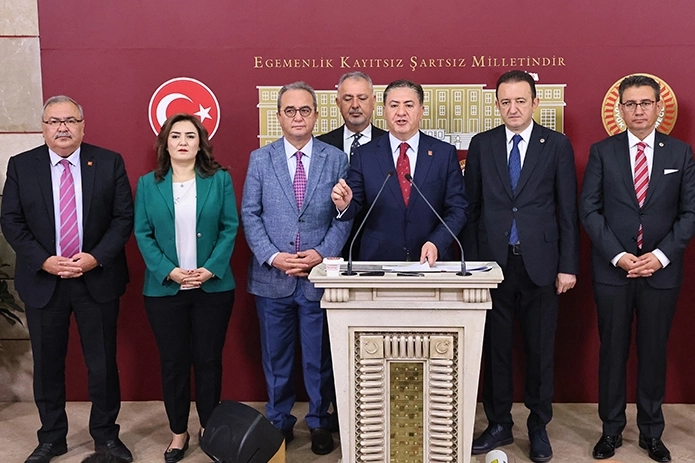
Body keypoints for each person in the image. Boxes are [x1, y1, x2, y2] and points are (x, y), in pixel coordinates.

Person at [0, 95, 134, 463]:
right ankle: (51, 438)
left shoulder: (108, 162)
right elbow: (11, 220)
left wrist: (95, 257)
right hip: (45, 280)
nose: (63, 127)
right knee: (47, 365)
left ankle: (106, 437)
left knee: (102, 364)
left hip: (97, 278)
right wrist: (43, 261)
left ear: (83, 126)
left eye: (70, 121)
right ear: (43, 128)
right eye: (54, 121)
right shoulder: (22, 166)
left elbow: (123, 217)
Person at [462, 70, 579, 463]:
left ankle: (538, 426)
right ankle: (499, 424)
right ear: (497, 104)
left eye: (520, 101)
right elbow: (472, 209)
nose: (513, 108)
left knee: (540, 350)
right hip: (492, 265)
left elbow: (568, 210)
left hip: (541, 264)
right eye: (505, 101)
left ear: (535, 103)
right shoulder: (482, 144)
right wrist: (473, 265)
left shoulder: (556, 145)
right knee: (495, 350)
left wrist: (568, 266)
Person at [580, 75, 695, 463]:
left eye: (645, 103)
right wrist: (617, 254)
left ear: (659, 107)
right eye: (630, 103)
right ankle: (610, 431)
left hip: (661, 272)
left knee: (653, 352)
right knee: (612, 352)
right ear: (620, 109)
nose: (638, 110)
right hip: (613, 271)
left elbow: (690, 213)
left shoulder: (680, 153)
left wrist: (660, 256)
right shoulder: (602, 152)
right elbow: (589, 210)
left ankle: (651, 433)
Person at [241, 81, 351, 456]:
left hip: (318, 277)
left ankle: (319, 421)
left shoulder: (335, 159)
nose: (298, 117)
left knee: (319, 358)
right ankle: (279, 421)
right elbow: (250, 214)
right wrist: (273, 256)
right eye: (290, 110)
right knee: (277, 358)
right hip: (272, 278)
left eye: (305, 110)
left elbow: (343, 216)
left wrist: (321, 253)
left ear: (316, 115)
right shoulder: (261, 159)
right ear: (279, 117)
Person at [134, 113, 238, 463]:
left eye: (190, 136)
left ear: (200, 143)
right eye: (175, 135)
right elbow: (142, 233)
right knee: (174, 363)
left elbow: (230, 227)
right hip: (165, 290)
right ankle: (178, 432)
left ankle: (209, 428)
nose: (182, 141)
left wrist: (210, 269)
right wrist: (170, 271)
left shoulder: (219, 180)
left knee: (208, 361)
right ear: (165, 143)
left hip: (213, 288)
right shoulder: (148, 184)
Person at [331, 79, 467, 264]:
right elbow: (354, 206)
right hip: (378, 261)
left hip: (430, 262)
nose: (401, 112)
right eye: (394, 105)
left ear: (421, 111)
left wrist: (437, 242)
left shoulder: (443, 153)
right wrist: (345, 205)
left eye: (409, 105)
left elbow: (458, 209)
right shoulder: (365, 155)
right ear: (384, 111)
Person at [318, 71, 387, 260]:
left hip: (380, 246)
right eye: (348, 98)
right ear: (338, 102)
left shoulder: (390, 144)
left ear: (373, 101)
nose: (355, 105)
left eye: (362, 98)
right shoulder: (320, 146)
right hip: (329, 248)